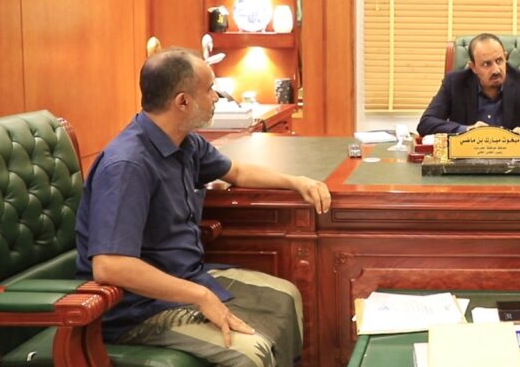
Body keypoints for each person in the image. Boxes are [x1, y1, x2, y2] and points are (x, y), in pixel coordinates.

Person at [75, 48, 331, 367]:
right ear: (182, 101)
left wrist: (296, 182)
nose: (216, 97)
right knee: (251, 353)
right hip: (136, 309)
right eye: (209, 89)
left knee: (286, 297)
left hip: (185, 277)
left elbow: (237, 172)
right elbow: (110, 267)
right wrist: (200, 295)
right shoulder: (128, 165)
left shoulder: (184, 141)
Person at [417, 33, 520, 137]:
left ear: (505, 57)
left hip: (512, 160)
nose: (496, 70)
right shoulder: (455, 83)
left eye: (499, 61)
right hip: (468, 158)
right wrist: (466, 130)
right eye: (486, 64)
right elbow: (426, 123)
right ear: (473, 67)